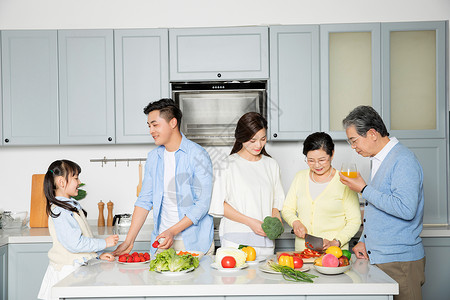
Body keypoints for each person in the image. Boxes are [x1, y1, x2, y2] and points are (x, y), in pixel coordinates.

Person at [340, 105, 425, 300]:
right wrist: (364, 241)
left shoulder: (403, 159)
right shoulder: (380, 159)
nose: (353, 147)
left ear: (372, 134)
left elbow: (406, 209)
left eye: (354, 140)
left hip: (400, 262)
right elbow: (380, 209)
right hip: (381, 259)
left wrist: (363, 189)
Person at [113, 98, 214, 256]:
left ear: (173, 123)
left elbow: (202, 205)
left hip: (193, 243)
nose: (151, 131)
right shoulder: (154, 157)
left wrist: (172, 231)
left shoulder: (198, 155)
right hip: (162, 241)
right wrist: (129, 240)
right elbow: (144, 200)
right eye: (149, 126)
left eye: (155, 125)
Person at [38, 160, 118, 300]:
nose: (79, 182)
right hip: (66, 274)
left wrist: (97, 254)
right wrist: (104, 243)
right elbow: (75, 243)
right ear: (62, 182)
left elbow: (84, 236)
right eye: (75, 178)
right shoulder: (61, 211)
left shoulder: (70, 206)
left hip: (75, 272)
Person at [209, 112, 285, 257]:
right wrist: (251, 222)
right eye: (252, 140)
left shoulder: (271, 164)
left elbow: (276, 202)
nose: (259, 145)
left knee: (264, 278)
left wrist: (276, 222)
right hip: (235, 240)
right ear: (241, 138)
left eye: (263, 139)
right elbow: (219, 204)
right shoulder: (226, 164)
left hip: (265, 240)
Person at [282, 132, 361, 251]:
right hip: (303, 253)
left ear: (332, 154)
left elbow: (354, 221)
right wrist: (295, 222)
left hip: (334, 254)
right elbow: (287, 209)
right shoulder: (300, 177)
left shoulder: (344, 181)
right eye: (311, 160)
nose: (317, 165)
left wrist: (336, 242)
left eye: (322, 160)